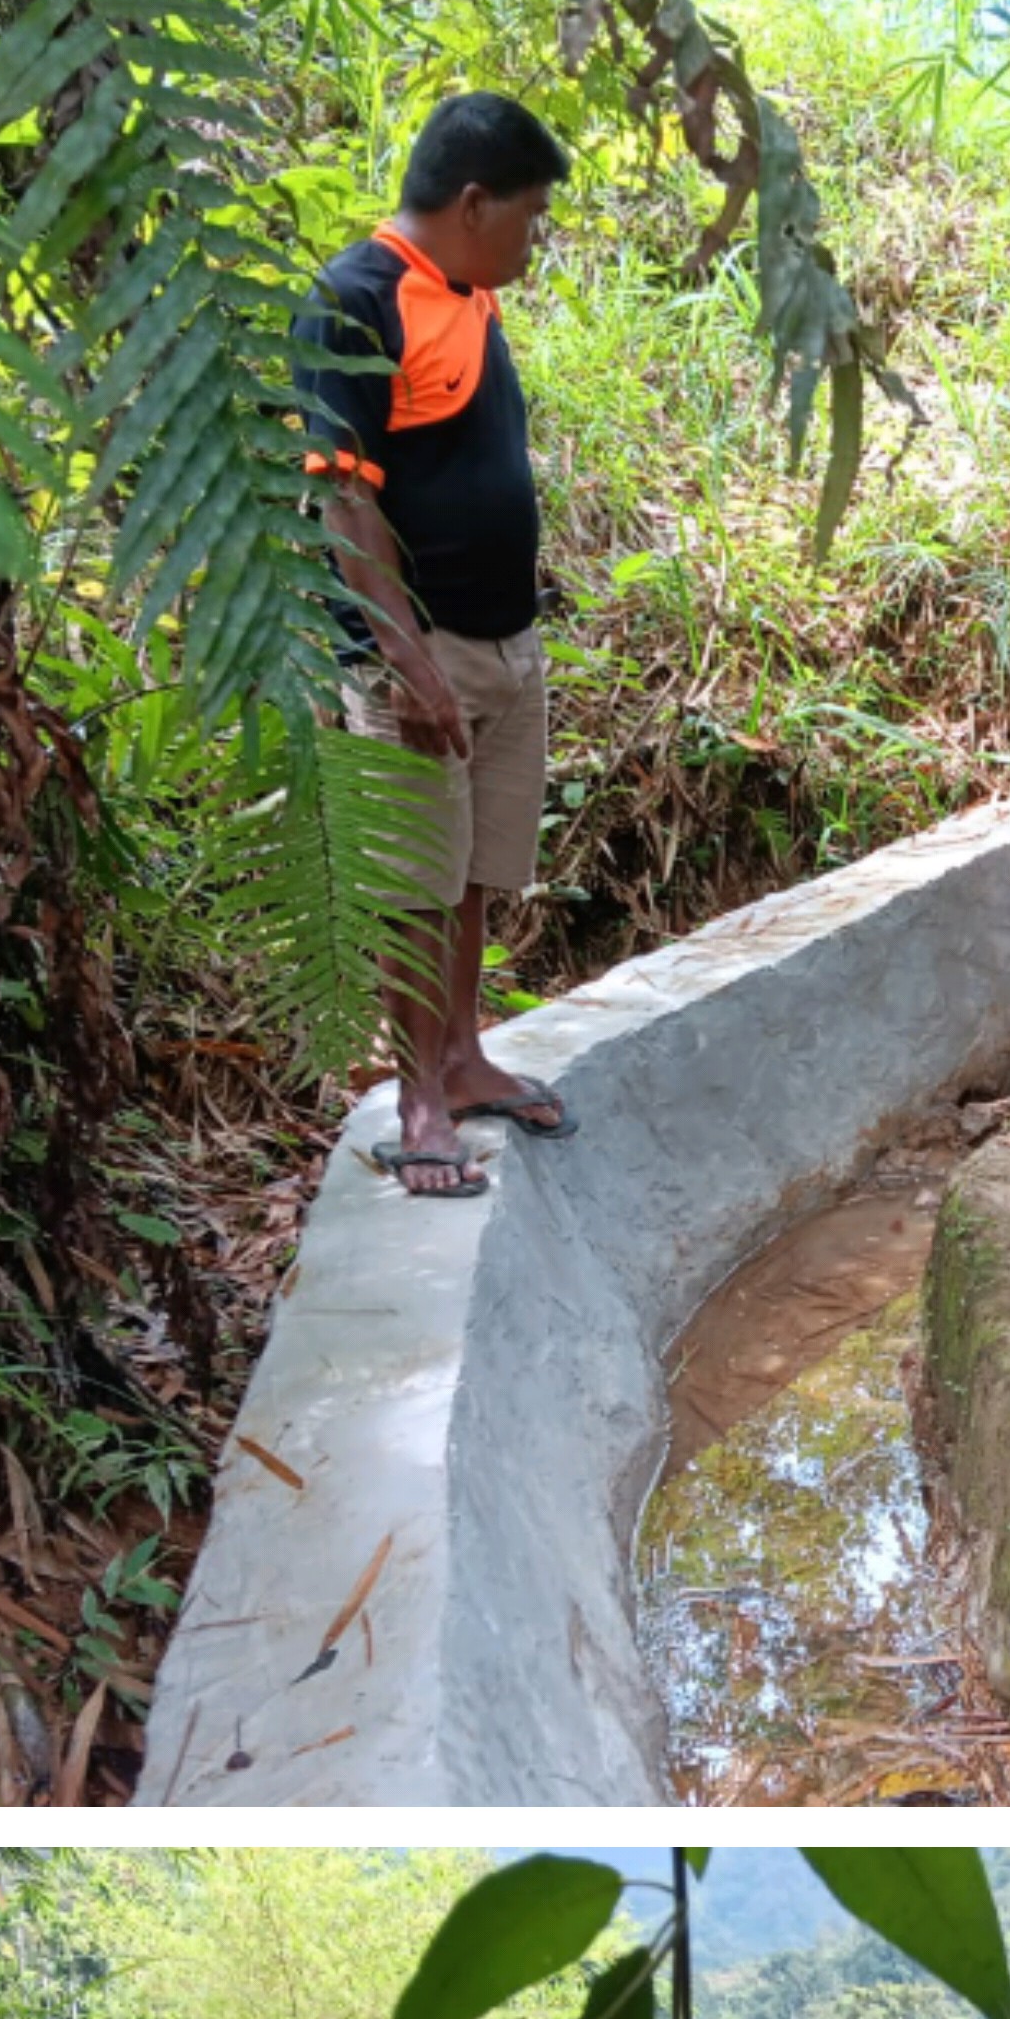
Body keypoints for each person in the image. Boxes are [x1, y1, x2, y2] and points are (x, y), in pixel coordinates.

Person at [292, 92, 577, 1199]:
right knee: (414, 880)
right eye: (530, 214)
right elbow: (343, 501)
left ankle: (460, 1057)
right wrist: (403, 658)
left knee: (468, 872)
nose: (534, 237)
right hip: (421, 654)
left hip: (504, 641)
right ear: (473, 202)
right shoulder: (355, 297)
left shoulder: (463, 296)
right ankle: (418, 1099)